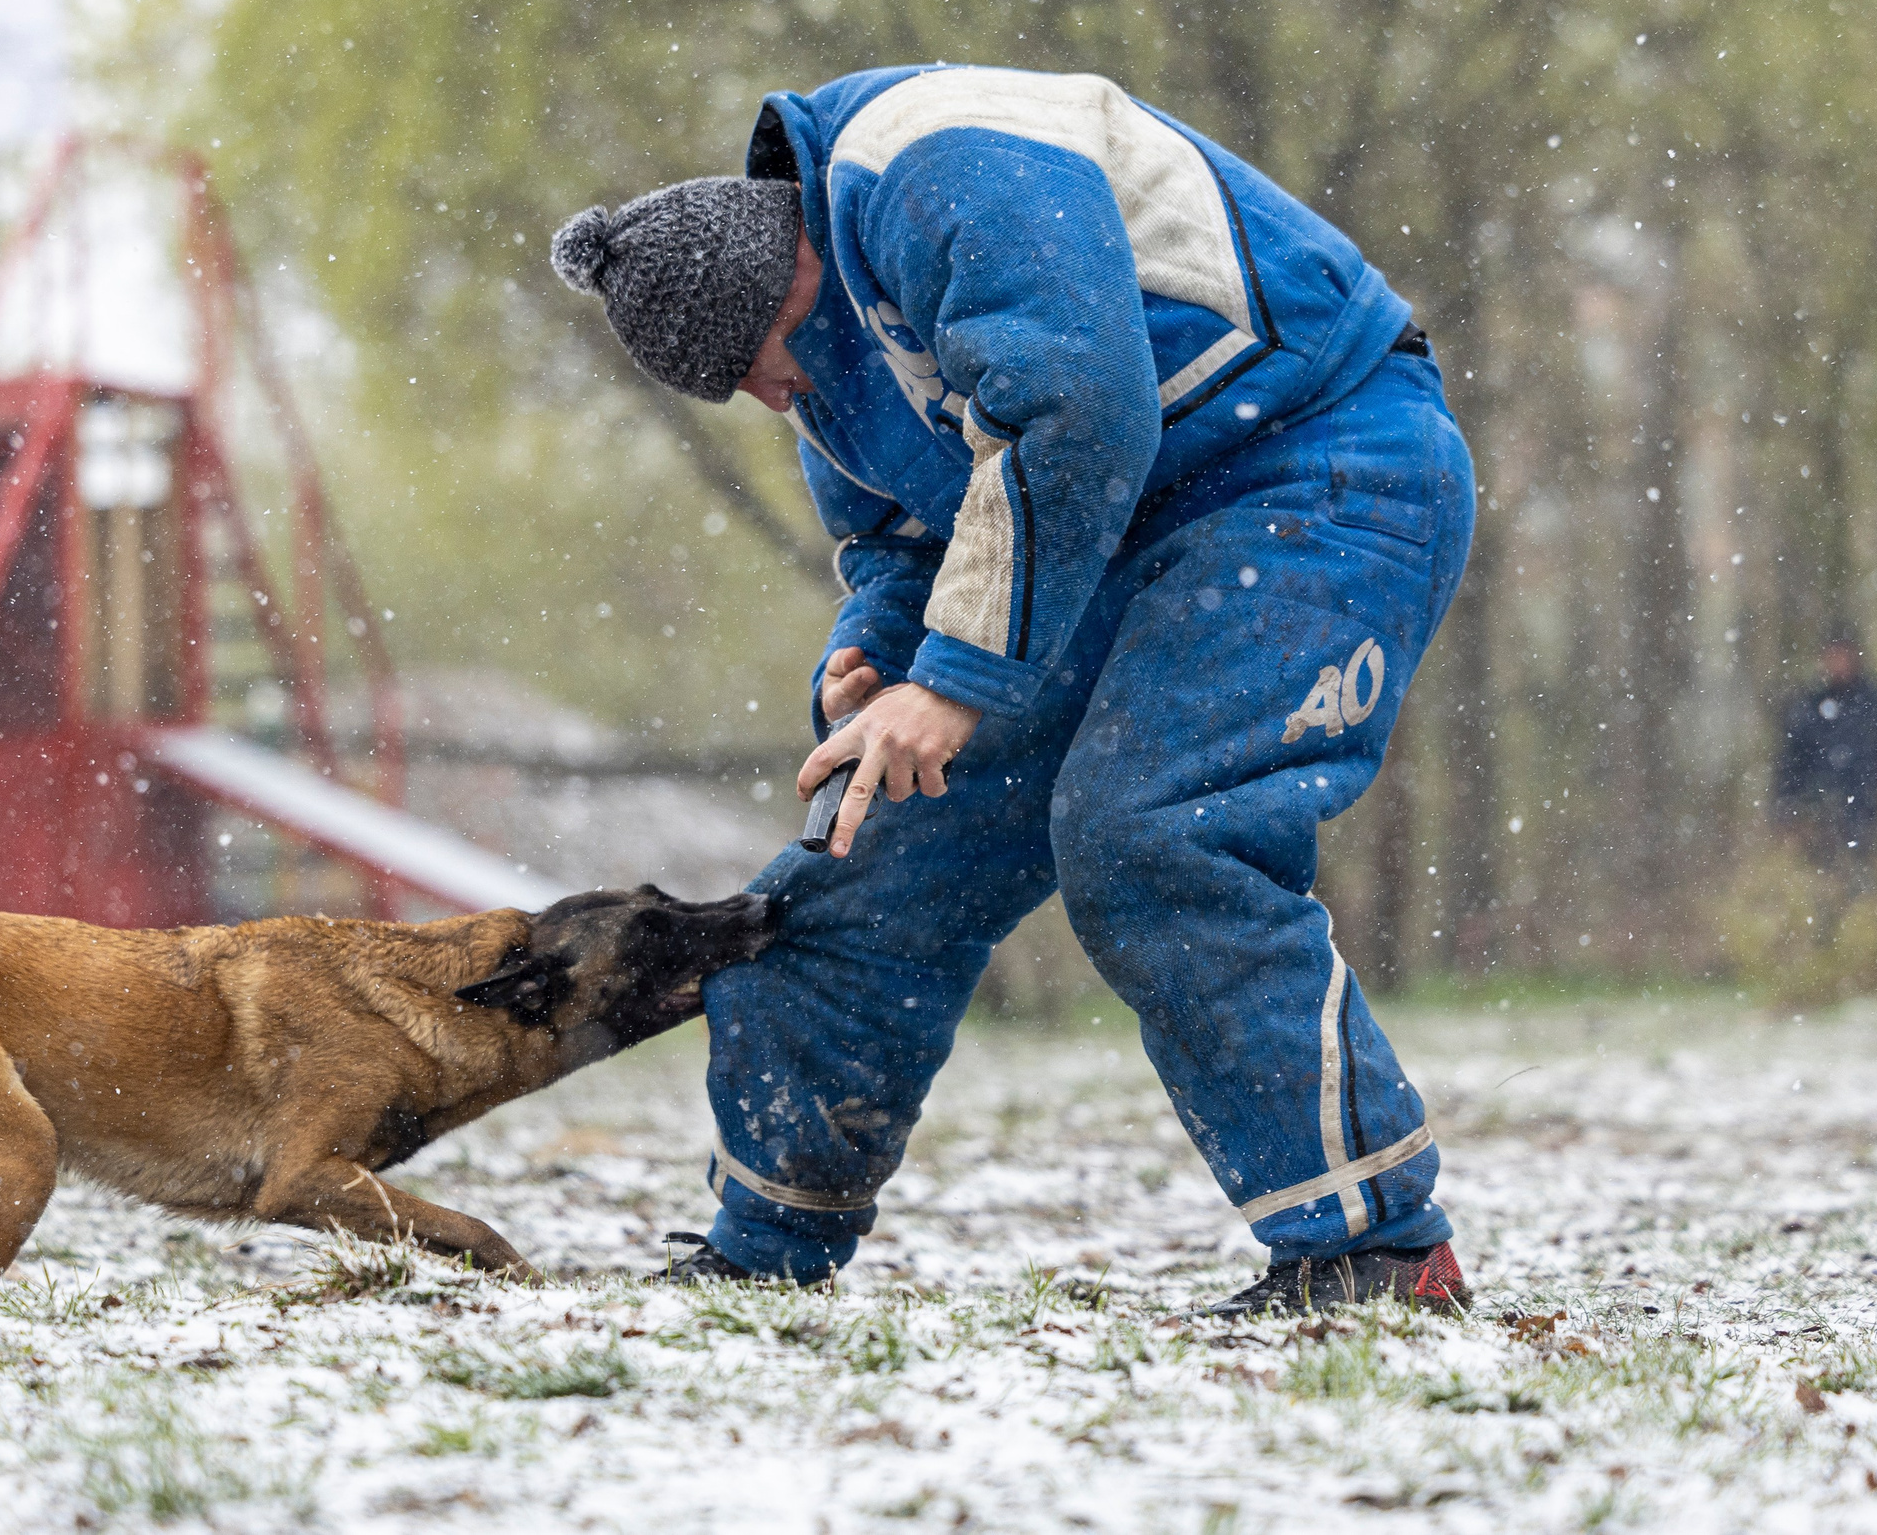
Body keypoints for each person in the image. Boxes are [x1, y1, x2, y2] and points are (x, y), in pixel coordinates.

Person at [549, 65, 1475, 1315]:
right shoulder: (831, 357)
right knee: (859, 855)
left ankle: (1372, 1244)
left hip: (1315, 462)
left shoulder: (940, 163)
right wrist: (874, 651)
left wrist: (960, 680)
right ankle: (767, 1246)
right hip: (1103, 530)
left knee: (1151, 833)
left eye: (752, 367)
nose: (768, 400)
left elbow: (1078, 415)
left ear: (782, 290)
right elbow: (899, 538)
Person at [1773, 631, 1877, 867]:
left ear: (1855, 656)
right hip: (1820, 821)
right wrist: (1787, 811)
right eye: (1832, 655)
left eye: (1843, 654)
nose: (1838, 662)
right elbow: (1791, 763)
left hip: (1872, 818)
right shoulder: (1809, 707)